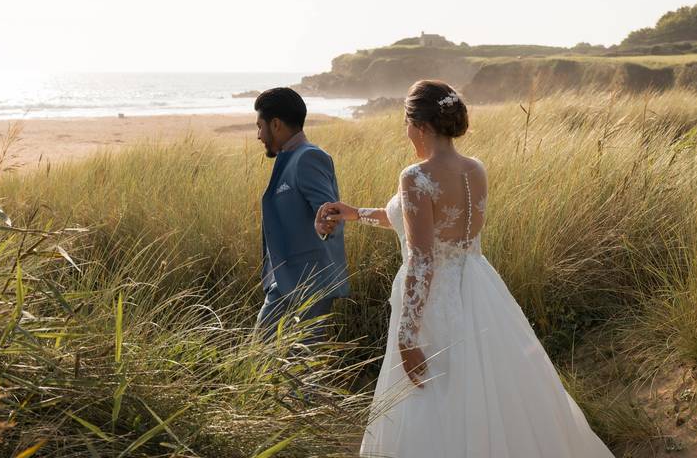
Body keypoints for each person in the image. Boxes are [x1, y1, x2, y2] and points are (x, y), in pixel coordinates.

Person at [318, 80, 615, 457]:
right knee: (490, 387)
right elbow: (426, 224)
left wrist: (407, 337)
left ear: (420, 126)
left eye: (406, 123)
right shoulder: (475, 169)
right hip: (478, 285)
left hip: (435, 300)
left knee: (434, 394)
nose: (406, 131)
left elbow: (423, 258)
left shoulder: (415, 176)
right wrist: (355, 213)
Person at [254, 87, 349, 343]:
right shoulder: (288, 158)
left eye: (260, 126)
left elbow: (329, 211)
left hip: (309, 283)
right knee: (266, 360)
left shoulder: (309, 157)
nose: (259, 135)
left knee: (297, 369)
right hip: (285, 282)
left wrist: (325, 226)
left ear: (275, 124)